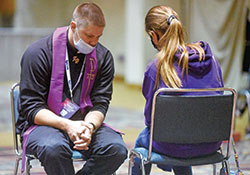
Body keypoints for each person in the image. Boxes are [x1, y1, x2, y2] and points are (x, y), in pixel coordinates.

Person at [16, 2, 127, 175]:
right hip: (44, 125)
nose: (93, 43)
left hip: (84, 122)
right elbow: (31, 108)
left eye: (99, 37)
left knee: (115, 149)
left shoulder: (102, 56)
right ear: (73, 26)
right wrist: (68, 126)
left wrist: (89, 127)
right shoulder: (39, 53)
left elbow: (100, 103)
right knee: (54, 149)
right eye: (89, 36)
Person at [132, 5, 224, 175]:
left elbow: (150, 118)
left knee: (144, 139)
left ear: (154, 35)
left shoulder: (156, 68)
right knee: (180, 133)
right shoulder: (211, 60)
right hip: (211, 142)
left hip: (171, 144)